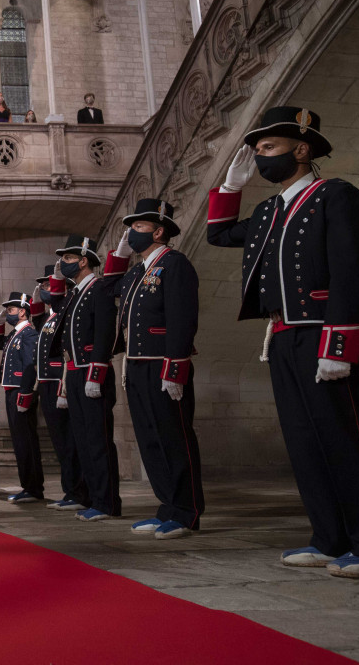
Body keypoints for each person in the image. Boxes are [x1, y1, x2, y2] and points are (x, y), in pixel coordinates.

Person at [208, 106, 359, 578]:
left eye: (268, 148)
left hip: (322, 334)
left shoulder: (335, 196)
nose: (261, 158)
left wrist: (339, 347)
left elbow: (353, 273)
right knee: (304, 442)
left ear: (303, 148)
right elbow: (218, 234)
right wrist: (230, 186)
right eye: (256, 151)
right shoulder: (270, 210)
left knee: (343, 439)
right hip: (282, 337)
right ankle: (328, 539)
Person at [109, 200, 205, 540]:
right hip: (135, 366)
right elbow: (108, 290)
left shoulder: (174, 264)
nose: (130, 233)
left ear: (158, 230)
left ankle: (186, 512)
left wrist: (175, 367)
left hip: (163, 367)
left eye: (137, 228)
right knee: (150, 440)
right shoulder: (136, 271)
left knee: (173, 439)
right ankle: (167, 507)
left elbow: (182, 318)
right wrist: (119, 257)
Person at [49, 235, 121, 522]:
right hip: (76, 374)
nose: (62, 263)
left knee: (98, 441)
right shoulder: (75, 292)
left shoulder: (99, 288)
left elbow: (104, 333)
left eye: (67, 259)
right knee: (82, 441)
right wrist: (68, 384)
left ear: (83, 259)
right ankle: (92, 497)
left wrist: (96, 373)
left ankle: (107, 502)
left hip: (93, 374)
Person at [33, 264, 87, 512]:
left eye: (49, 285)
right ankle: (70, 491)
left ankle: (77, 492)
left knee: (69, 442)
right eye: (43, 286)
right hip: (46, 383)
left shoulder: (65, 310)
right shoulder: (48, 317)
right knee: (60, 443)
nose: (45, 289)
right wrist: (37, 294)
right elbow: (35, 316)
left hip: (59, 383)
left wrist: (63, 386)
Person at [0, 292, 44, 503]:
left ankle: (33, 488)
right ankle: (28, 486)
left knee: (26, 441)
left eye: (11, 310)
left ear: (23, 311)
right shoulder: (15, 334)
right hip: (11, 391)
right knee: (19, 441)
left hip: (20, 391)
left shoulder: (29, 334)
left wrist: (25, 394)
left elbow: (30, 366)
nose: (8, 313)